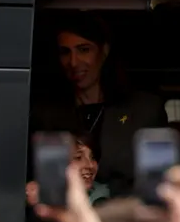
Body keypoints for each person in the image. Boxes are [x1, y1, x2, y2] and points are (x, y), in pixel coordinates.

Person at [30, 11, 168, 197]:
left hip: (125, 220)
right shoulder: (46, 114)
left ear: (104, 52)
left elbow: (159, 184)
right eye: (65, 52)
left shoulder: (144, 110)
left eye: (84, 49)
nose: (73, 62)